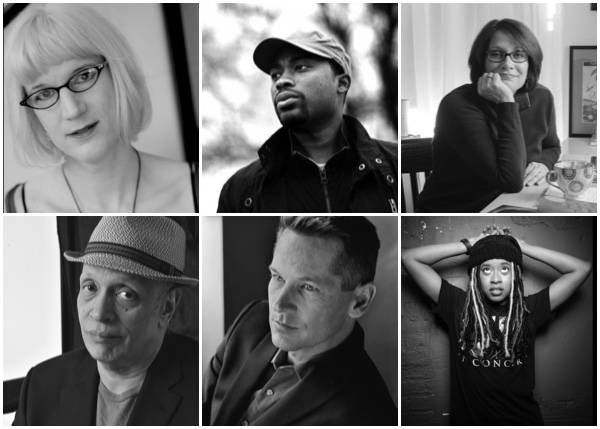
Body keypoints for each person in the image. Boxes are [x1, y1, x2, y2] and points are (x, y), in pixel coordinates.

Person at [4, 4, 198, 213]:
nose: (73, 110)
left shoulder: (196, 189)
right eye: (44, 94)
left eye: (83, 76)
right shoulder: (15, 209)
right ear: (31, 114)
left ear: (117, 74)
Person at [203, 216, 397, 425]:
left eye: (308, 287)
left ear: (360, 301)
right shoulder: (251, 322)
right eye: (278, 277)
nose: (279, 304)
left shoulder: (368, 416)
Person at [13, 216, 199, 425]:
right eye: (90, 287)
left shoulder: (204, 390)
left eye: (126, 294)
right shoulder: (41, 385)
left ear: (167, 306)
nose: (99, 313)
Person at [401, 226, 591, 424]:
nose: (496, 279)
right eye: (486, 269)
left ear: (515, 274)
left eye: (504, 268)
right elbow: (409, 258)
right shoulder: (457, 305)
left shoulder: (529, 309)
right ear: (476, 275)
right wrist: (470, 244)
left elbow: (581, 269)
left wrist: (523, 247)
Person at [217, 31, 398, 213]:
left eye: (300, 67)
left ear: (342, 83)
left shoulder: (396, 165)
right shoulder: (240, 191)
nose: (281, 82)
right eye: (275, 75)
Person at [416, 19, 560, 212]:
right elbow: (509, 180)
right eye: (496, 54)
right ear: (481, 61)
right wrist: (507, 102)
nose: (508, 64)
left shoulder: (542, 97)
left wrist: (543, 164)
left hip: (513, 201)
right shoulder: (457, 105)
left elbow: (552, 146)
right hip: (462, 209)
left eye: (518, 54)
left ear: (530, 61)